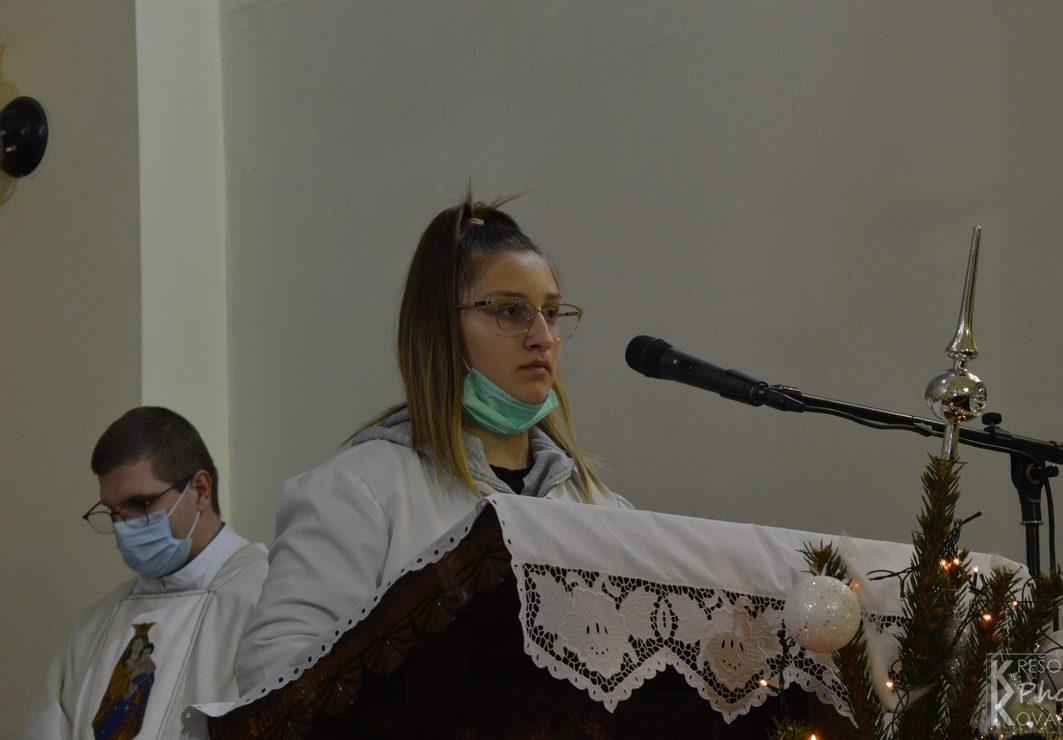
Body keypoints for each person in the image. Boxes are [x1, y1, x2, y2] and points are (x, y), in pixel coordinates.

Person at [235, 194, 632, 692]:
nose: (542, 337)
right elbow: (276, 676)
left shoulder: (601, 508)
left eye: (551, 313)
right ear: (440, 326)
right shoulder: (359, 492)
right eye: (511, 310)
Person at [20, 407, 269, 740]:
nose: (123, 527)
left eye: (140, 504)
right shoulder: (98, 624)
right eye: (113, 512)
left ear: (200, 490)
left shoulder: (268, 597)